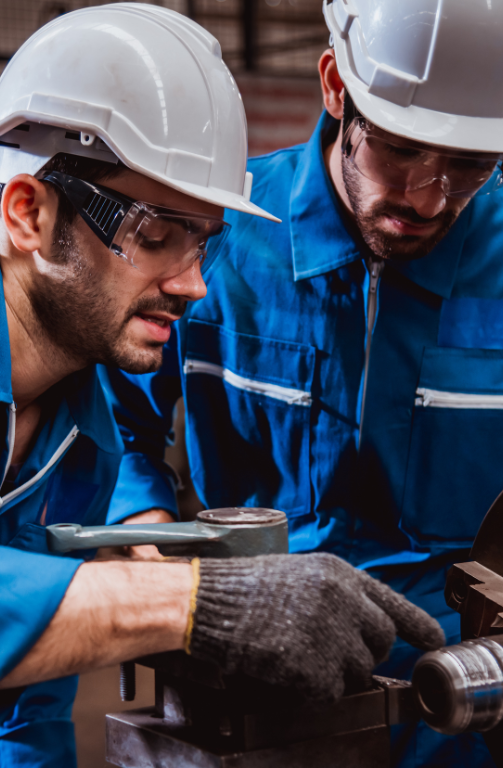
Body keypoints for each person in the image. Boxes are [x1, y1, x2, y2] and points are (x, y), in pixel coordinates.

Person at [0, 4, 442, 767]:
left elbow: (22, 706)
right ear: (29, 213)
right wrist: (184, 602)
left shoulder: (82, 436)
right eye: (154, 238)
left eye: (204, 245)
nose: (193, 287)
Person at [104, 1, 503, 766]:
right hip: (261, 662)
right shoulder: (217, 236)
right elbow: (117, 421)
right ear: (332, 87)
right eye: (398, 150)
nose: (427, 197)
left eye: (466, 166)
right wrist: (148, 539)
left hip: (468, 692)